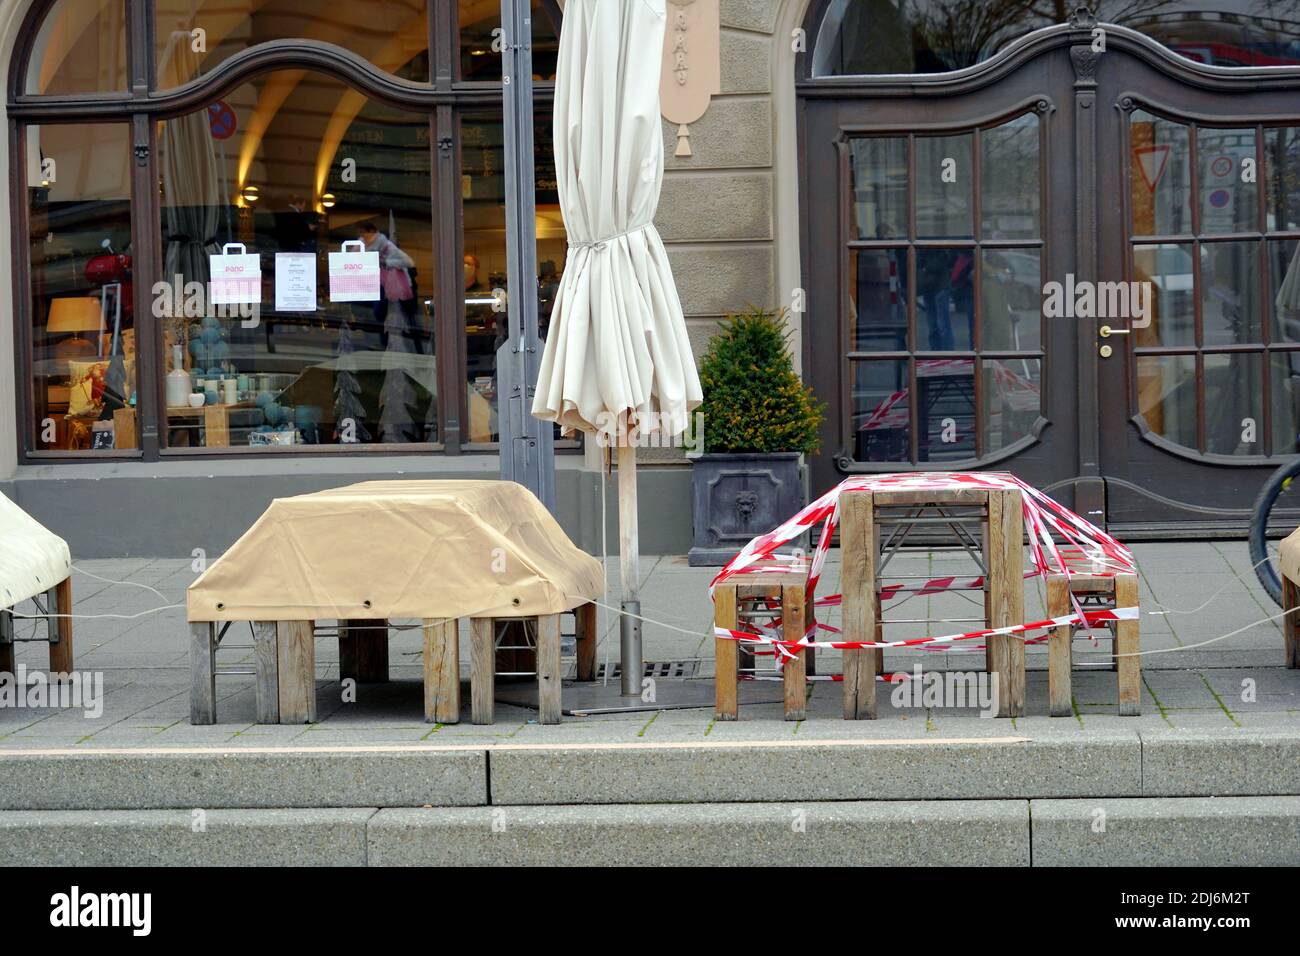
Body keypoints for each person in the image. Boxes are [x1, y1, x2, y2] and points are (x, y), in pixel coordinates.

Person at [360, 221, 424, 354]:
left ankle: (417, 349)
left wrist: (386, 262)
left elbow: (409, 262)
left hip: (396, 286)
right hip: (381, 285)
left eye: (366, 235)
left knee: (407, 318)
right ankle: (386, 344)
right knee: (380, 313)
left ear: (373, 233)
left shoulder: (387, 246)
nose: (365, 238)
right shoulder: (362, 245)